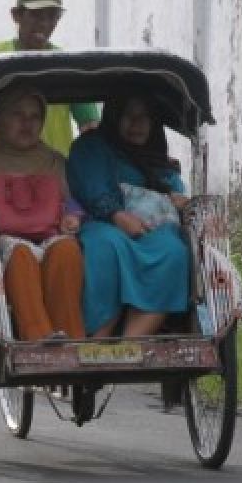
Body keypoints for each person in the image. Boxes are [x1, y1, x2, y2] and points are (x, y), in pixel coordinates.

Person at [0, 87, 85, 341]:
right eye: (17, 115)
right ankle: (38, 337)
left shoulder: (54, 161)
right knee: (20, 254)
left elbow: (73, 201)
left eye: (35, 117)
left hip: (48, 235)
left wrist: (73, 215)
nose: (27, 123)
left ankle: (73, 341)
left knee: (67, 250)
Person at [67, 93, 191, 338]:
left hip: (154, 230)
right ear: (114, 117)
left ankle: (131, 343)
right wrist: (116, 215)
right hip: (102, 223)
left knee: (174, 251)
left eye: (144, 117)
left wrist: (180, 201)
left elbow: (175, 191)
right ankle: (97, 341)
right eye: (128, 116)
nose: (137, 124)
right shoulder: (91, 147)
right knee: (107, 245)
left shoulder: (160, 159)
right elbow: (90, 186)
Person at [0, 0, 99, 155]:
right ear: (16, 15)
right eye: (36, 15)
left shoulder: (65, 66)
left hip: (53, 173)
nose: (44, 23)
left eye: (52, 16)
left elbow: (90, 125)